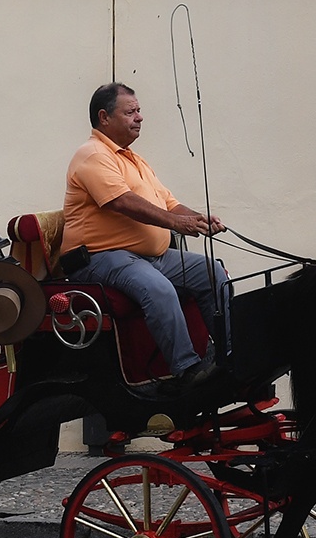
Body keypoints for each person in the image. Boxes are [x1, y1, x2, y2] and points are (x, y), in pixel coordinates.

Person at [64, 82, 230, 389]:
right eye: (130, 112)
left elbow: (169, 204)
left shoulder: (134, 159)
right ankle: (187, 371)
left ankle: (229, 356)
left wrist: (197, 219)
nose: (139, 117)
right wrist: (176, 223)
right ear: (104, 117)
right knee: (159, 289)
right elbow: (122, 201)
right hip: (101, 257)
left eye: (139, 111)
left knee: (212, 272)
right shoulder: (92, 155)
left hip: (151, 257)